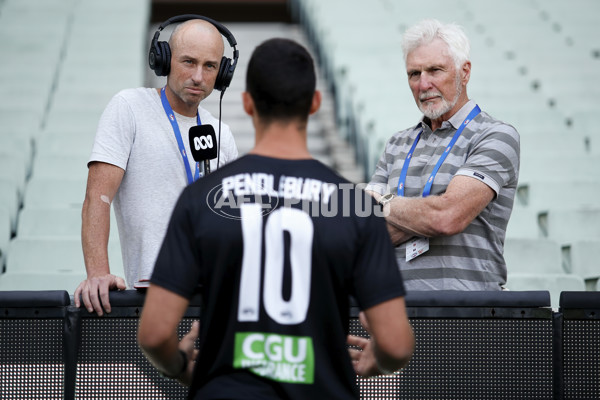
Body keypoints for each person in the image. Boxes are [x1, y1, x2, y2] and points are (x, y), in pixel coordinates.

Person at [137, 38, 414, 399]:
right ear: (315, 103)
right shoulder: (354, 205)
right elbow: (396, 344)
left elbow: (155, 334)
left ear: (248, 103)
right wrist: (376, 361)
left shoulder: (200, 199)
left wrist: (181, 367)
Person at [74, 17, 239, 315]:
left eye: (210, 66)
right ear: (163, 60)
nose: (198, 77)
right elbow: (97, 198)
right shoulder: (129, 108)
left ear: (224, 72)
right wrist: (98, 273)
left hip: (214, 300)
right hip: (151, 296)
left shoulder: (221, 134)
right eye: (188, 62)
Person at [366, 19, 520, 291]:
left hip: (465, 313)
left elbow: (448, 217)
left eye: (435, 70)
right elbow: (364, 234)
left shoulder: (496, 135)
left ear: (464, 72)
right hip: (394, 309)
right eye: (414, 74)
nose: (424, 84)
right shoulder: (396, 143)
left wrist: (383, 202)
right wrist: (430, 211)